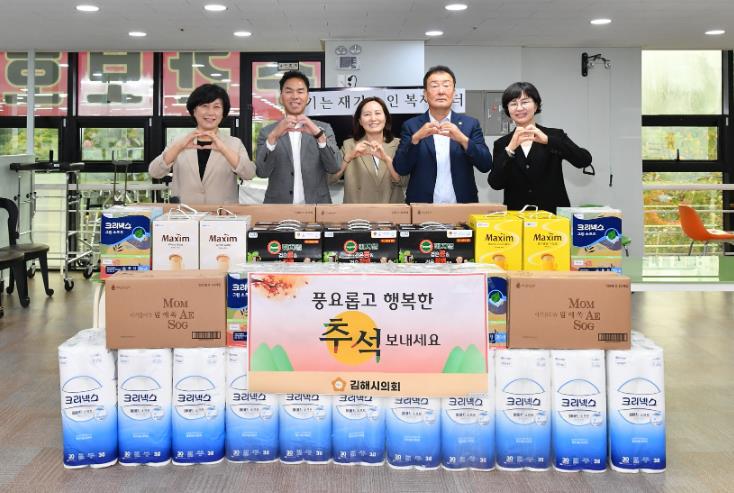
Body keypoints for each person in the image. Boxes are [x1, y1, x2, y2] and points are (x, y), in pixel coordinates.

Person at [488, 81, 592, 213]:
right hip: (517, 216)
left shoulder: (555, 135)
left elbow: (584, 160)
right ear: (507, 109)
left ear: (536, 105)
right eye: (513, 104)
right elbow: (495, 183)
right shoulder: (502, 143)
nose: (519, 108)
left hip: (552, 215)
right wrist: (509, 149)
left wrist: (548, 140)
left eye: (525, 102)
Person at [393, 65, 492, 203]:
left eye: (446, 85)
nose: (441, 91)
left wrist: (463, 140)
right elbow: (401, 168)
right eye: (434, 86)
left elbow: (485, 164)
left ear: (454, 93)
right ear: (425, 94)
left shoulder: (470, 124)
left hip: (462, 204)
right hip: (422, 206)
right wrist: (416, 139)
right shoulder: (411, 126)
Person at [149, 83, 255, 204]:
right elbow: (155, 172)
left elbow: (249, 174)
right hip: (185, 212)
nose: (210, 112)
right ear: (194, 110)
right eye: (204, 106)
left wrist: (224, 149)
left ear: (223, 112)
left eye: (216, 107)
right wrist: (178, 147)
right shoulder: (179, 141)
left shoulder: (234, 143)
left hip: (222, 213)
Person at [255, 70, 340, 204]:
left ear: (308, 97)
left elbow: (334, 167)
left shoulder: (323, 129)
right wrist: (273, 137)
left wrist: (319, 136)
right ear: (281, 97)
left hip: (316, 206)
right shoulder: (268, 132)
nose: (295, 96)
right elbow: (261, 172)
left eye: (300, 91)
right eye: (289, 91)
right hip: (278, 207)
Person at [330, 97, 406, 203]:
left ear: (386, 118)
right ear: (360, 121)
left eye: (378, 113)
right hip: (358, 210)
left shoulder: (399, 144)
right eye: (367, 114)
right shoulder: (349, 145)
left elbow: (403, 181)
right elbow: (331, 179)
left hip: (391, 209)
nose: (373, 119)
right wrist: (348, 157)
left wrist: (387, 160)